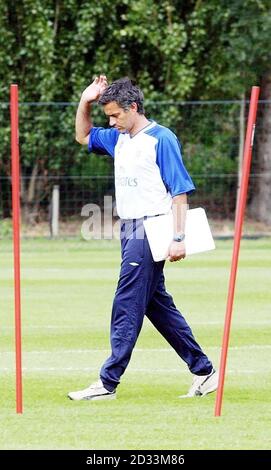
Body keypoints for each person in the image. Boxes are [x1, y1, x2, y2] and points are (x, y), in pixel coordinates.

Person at [68, 76, 218, 401]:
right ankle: (204, 371)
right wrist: (85, 101)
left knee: (126, 302)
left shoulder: (161, 139)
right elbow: (82, 136)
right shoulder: (118, 138)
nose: (111, 122)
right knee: (156, 305)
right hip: (129, 229)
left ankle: (107, 382)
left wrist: (178, 237)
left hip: (153, 229)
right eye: (107, 116)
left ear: (133, 107)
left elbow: (179, 192)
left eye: (115, 115)